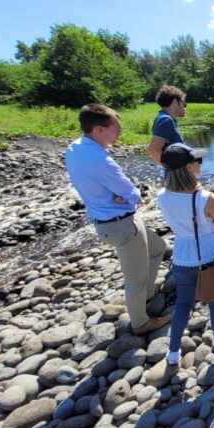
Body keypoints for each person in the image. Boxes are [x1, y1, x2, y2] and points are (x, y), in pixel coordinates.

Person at [65, 104, 170, 335]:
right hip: (121, 225)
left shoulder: (74, 149)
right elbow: (132, 195)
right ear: (100, 129)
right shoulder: (100, 160)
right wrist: (130, 197)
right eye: (117, 130)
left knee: (158, 247)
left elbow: (111, 189)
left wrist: (119, 195)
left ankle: (147, 295)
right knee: (136, 278)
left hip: (107, 220)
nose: (120, 134)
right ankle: (141, 322)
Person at [149, 144, 214, 384]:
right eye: (197, 161)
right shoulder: (204, 197)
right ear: (188, 167)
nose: (200, 164)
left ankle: (173, 352)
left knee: (183, 305)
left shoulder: (162, 196)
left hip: (183, 256)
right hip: (211, 254)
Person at [148, 85, 187, 165]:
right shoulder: (165, 120)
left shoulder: (166, 119)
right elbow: (153, 150)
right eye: (184, 103)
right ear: (175, 102)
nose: (185, 107)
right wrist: (172, 169)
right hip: (176, 176)